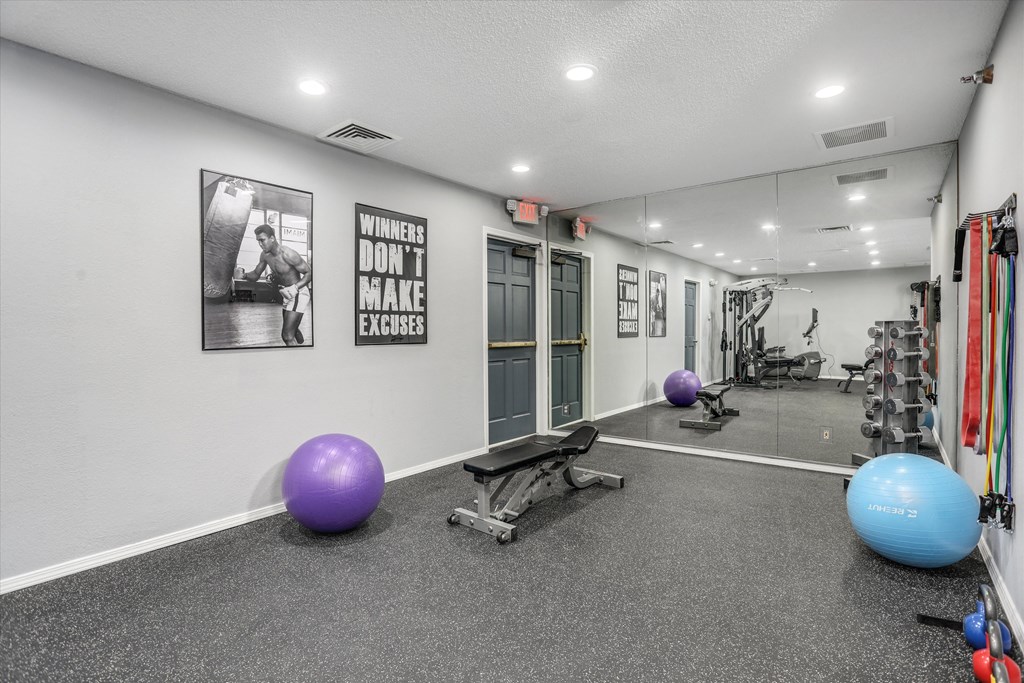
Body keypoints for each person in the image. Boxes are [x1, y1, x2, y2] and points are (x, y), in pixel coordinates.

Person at [241, 224, 311, 346]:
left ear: (272, 238)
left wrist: (295, 287)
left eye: (262, 240)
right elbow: (256, 275)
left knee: (287, 336)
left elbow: (309, 273)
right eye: (258, 241)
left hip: (298, 293)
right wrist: (244, 275)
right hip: (286, 294)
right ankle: (301, 342)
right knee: (292, 330)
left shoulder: (288, 254)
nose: (260, 244)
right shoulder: (265, 255)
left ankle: (299, 356)